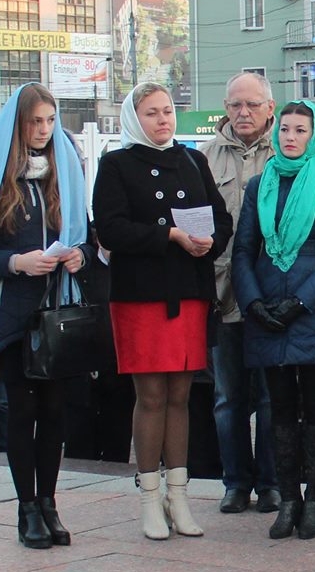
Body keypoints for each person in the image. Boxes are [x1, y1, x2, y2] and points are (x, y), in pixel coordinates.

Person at [0, 84, 93, 548]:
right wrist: (17, 263)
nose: (43, 130)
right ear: (18, 123)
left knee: (55, 412)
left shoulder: (64, 168)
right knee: (20, 409)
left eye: (50, 121)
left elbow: (85, 235)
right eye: (35, 121)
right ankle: (26, 507)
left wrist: (79, 256)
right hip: (10, 310)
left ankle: (49, 503)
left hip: (56, 310)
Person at [93, 83, 232, 539]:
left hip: (188, 292)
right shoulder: (116, 164)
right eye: (152, 113)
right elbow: (110, 229)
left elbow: (220, 216)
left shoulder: (193, 160)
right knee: (151, 396)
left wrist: (212, 241)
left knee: (181, 396)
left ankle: (180, 494)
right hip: (142, 297)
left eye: (168, 111)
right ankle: (150, 497)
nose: (163, 120)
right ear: (135, 119)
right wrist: (168, 236)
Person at [234, 100, 315, 540]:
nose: (290, 136)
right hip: (267, 312)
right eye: (284, 128)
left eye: (300, 130)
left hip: (314, 313)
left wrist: (301, 303)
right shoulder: (258, 185)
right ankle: (288, 500)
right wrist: (253, 304)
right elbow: (244, 252)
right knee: (278, 407)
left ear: (313, 134)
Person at [205, 71, 281, 515]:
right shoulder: (205, 157)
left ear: (269, 107)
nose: (243, 112)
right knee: (228, 400)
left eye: (252, 104)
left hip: (272, 296)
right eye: (235, 104)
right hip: (224, 294)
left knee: (272, 400)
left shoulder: (287, 150)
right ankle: (235, 483)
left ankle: (270, 482)